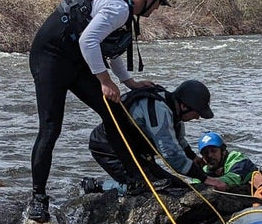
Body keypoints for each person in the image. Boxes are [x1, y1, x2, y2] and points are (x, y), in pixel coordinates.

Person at [26, 0, 170, 223]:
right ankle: (38, 198)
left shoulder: (123, 9)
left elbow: (108, 49)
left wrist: (128, 82)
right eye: (158, 3)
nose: (157, 9)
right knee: (50, 128)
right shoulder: (120, 8)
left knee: (113, 111)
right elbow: (88, 41)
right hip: (49, 58)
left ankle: (135, 180)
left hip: (75, 61)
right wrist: (104, 80)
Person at [86, 79, 214, 192]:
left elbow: (178, 140)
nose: (197, 117)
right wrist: (205, 179)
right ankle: (97, 186)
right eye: (197, 113)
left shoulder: (172, 107)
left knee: (177, 186)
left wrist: (192, 157)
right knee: (147, 187)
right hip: (108, 149)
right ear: (184, 106)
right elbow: (171, 154)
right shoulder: (159, 110)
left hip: (136, 153)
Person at [197, 131, 262, 193]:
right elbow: (195, 181)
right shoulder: (205, 169)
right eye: (205, 153)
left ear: (223, 151)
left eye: (213, 151)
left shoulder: (237, 159)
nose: (210, 155)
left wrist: (210, 181)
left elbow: (234, 178)